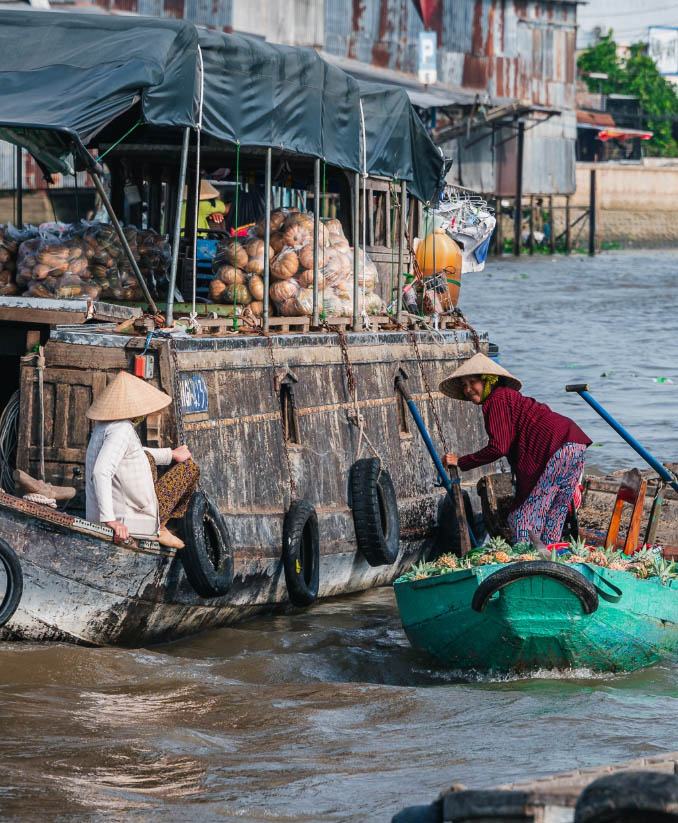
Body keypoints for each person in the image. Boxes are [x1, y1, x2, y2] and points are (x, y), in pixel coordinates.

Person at [439, 352, 591, 545]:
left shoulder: (496, 400)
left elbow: (499, 447)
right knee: (554, 515)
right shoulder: (508, 397)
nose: (468, 389)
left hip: (557, 448)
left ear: (489, 381)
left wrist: (461, 461)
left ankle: (529, 564)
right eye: (464, 385)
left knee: (521, 520)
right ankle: (551, 560)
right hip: (575, 444)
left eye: (473, 382)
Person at [85, 371, 200, 549]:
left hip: (107, 514)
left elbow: (134, 453)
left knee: (147, 458)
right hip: (128, 520)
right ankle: (160, 526)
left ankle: (157, 524)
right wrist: (111, 521)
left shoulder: (103, 427)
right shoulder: (121, 429)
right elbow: (101, 472)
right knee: (189, 469)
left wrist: (171, 454)